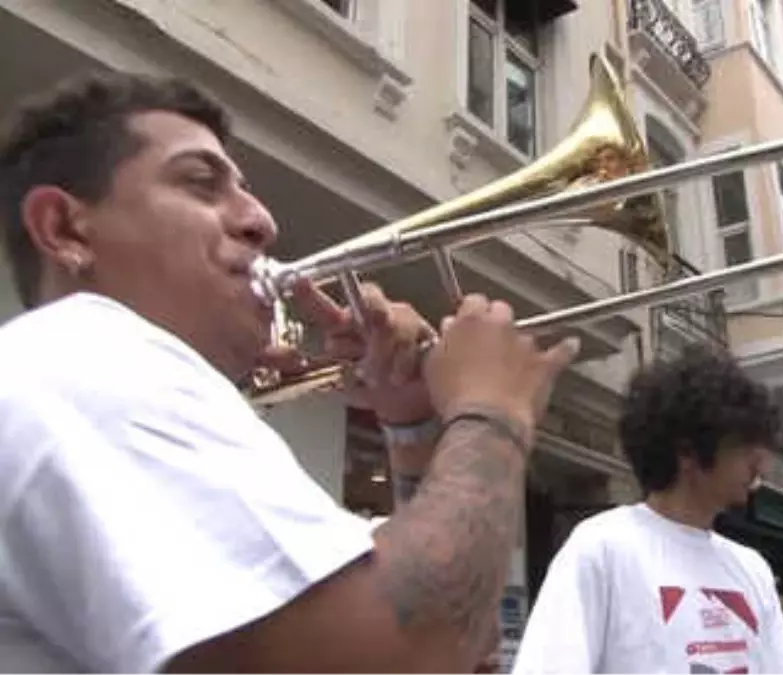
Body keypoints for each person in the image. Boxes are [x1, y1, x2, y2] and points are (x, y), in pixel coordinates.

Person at [0, 70, 580, 674]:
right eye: (201, 184)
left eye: (244, 189)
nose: (261, 220)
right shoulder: (92, 353)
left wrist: (411, 430)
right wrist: (494, 412)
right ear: (65, 230)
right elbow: (392, 659)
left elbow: (462, 648)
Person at [510, 345, 783, 674]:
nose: (761, 468)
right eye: (745, 448)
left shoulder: (752, 569)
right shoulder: (602, 547)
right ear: (688, 452)